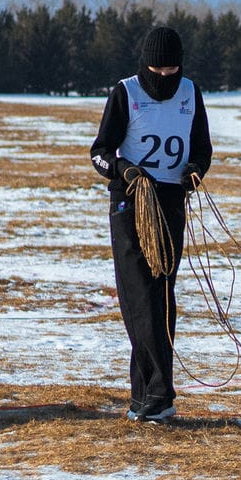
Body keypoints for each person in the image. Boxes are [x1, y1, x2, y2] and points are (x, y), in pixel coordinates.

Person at [87, 24, 211, 425]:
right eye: (157, 71)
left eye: (171, 71)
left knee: (160, 296)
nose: (163, 78)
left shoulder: (190, 93)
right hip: (131, 203)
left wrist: (195, 170)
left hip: (171, 202)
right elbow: (100, 152)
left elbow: (203, 148)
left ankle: (146, 396)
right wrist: (123, 170)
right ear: (146, 66)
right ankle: (158, 392)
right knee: (138, 296)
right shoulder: (125, 93)